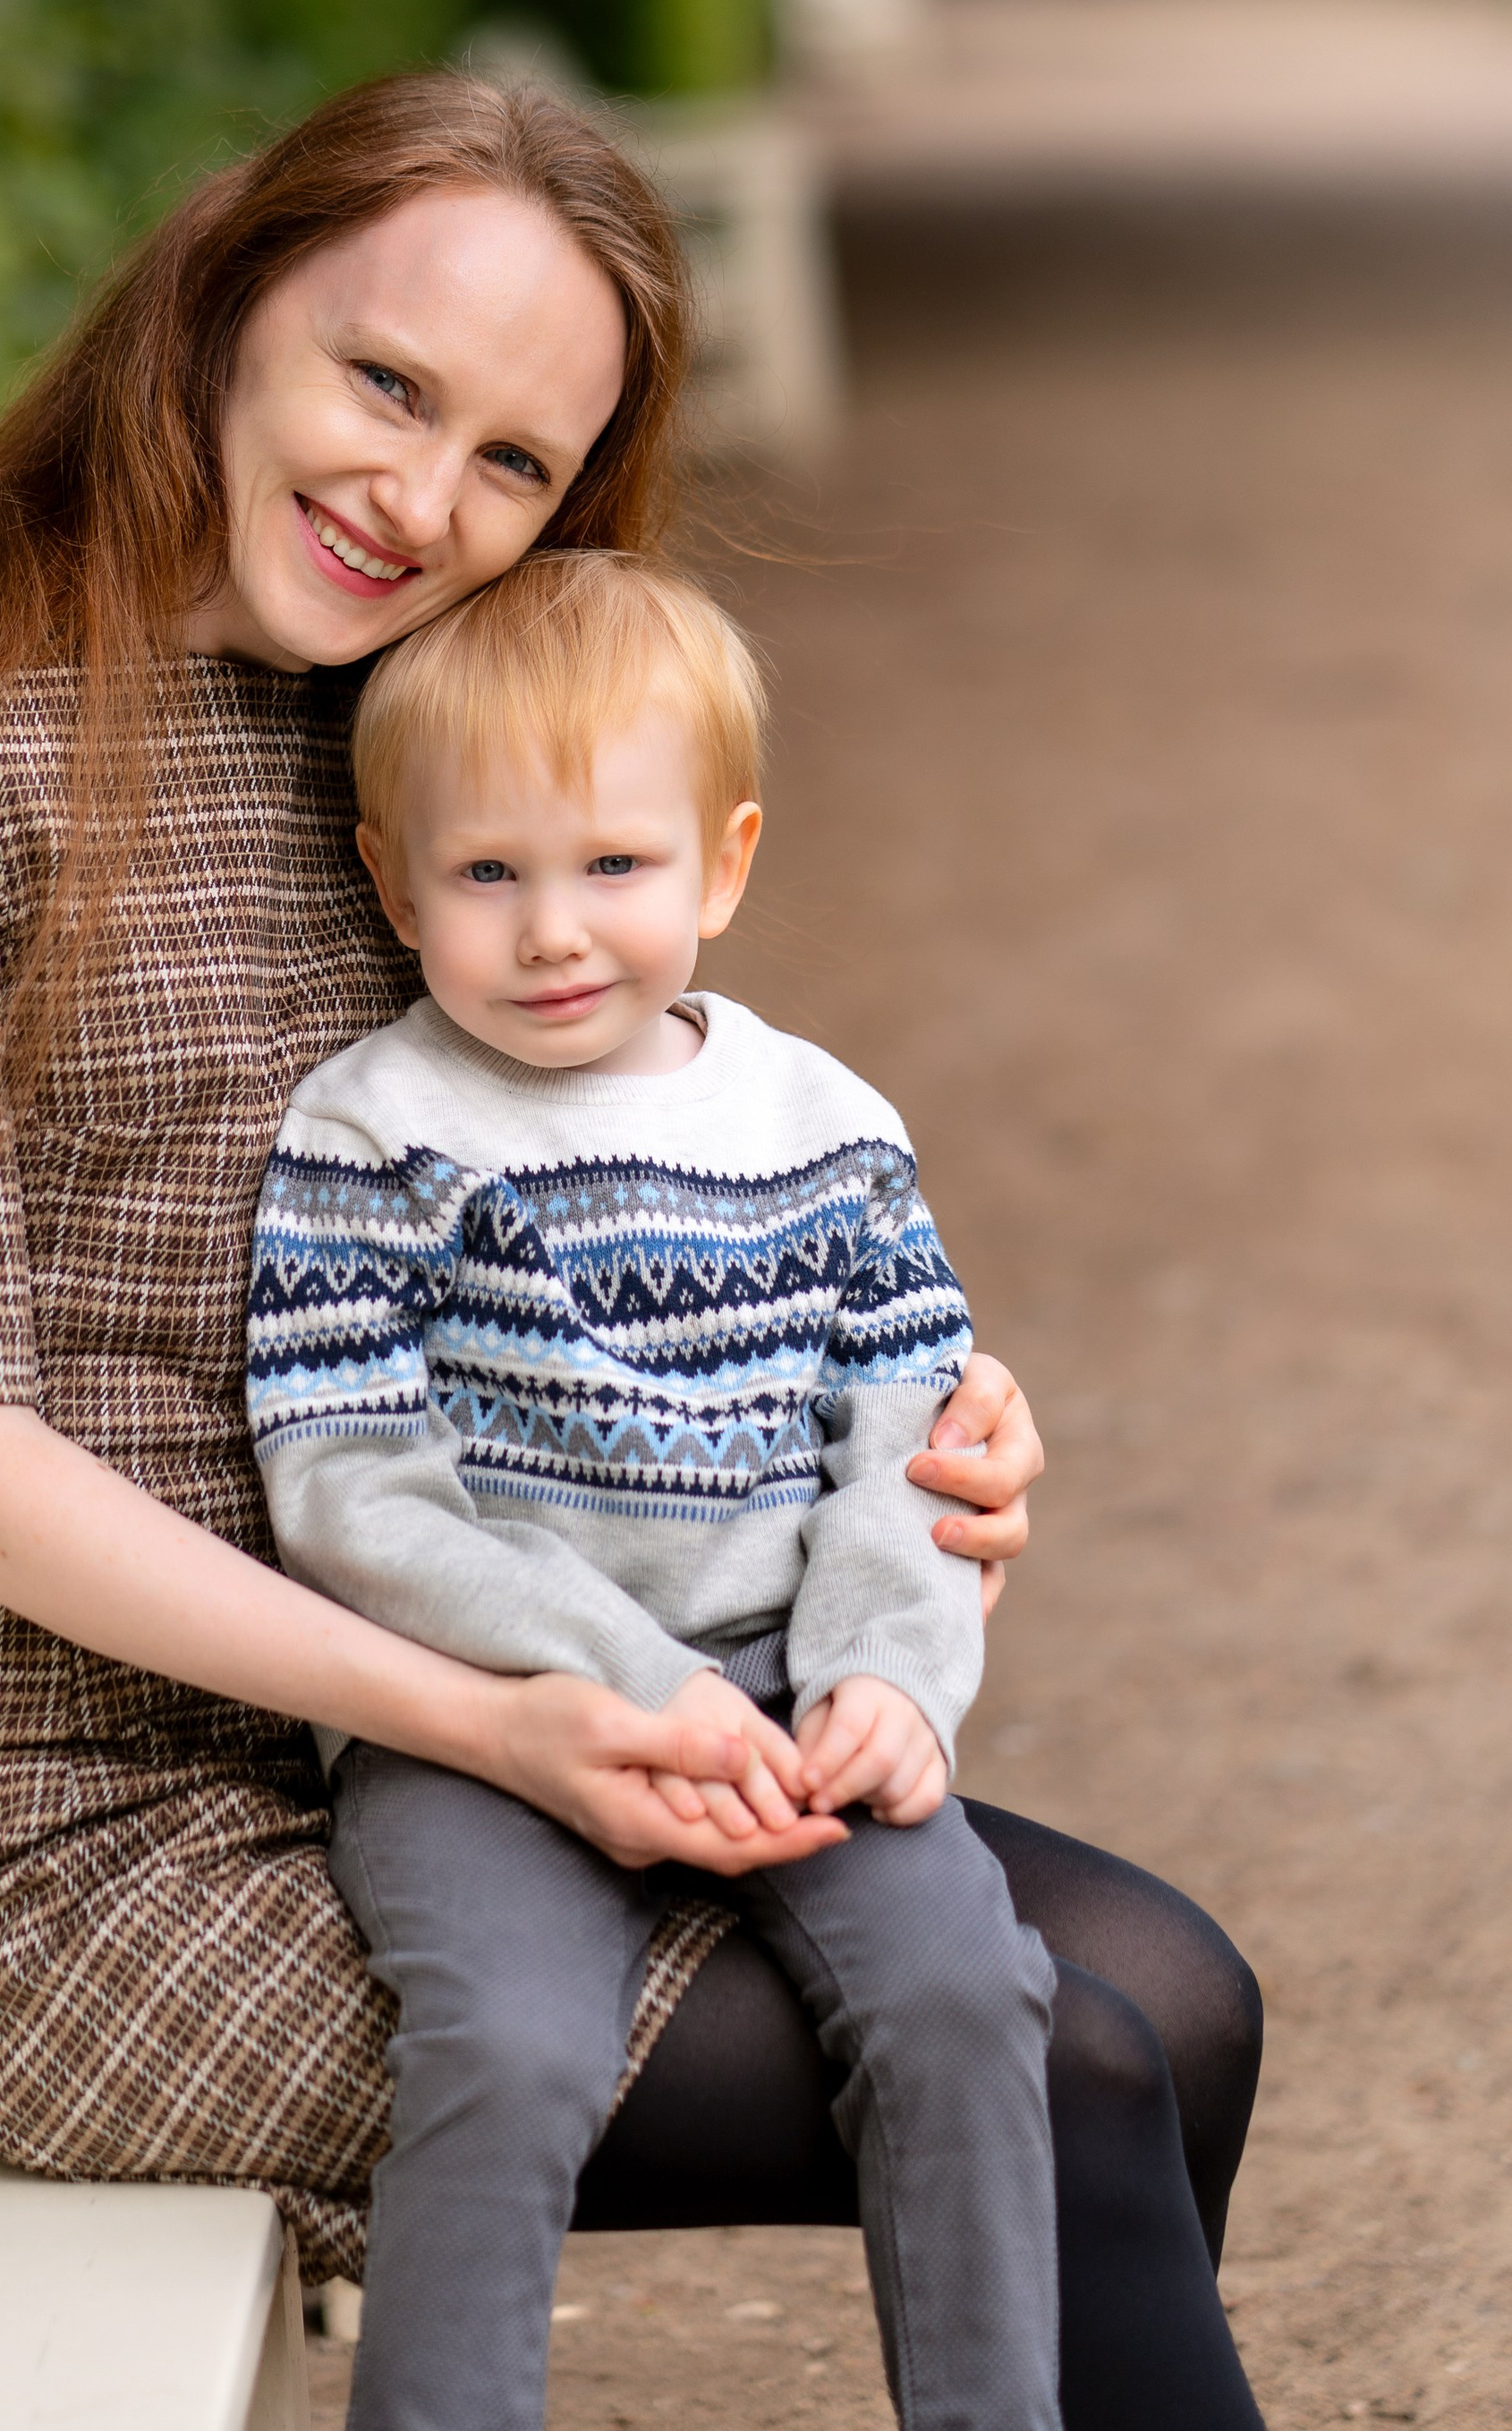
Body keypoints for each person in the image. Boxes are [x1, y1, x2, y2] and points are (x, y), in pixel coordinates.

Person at [0, 70, 1262, 2431]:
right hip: (109, 1843)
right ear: (224, 302)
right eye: (384, 383)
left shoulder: (414, 728)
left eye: (514, 463)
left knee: (1179, 1987)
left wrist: (905, 1424)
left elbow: (646, 1191)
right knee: (1087, 2077)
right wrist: (510, 1724)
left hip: (550, 1684)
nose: (423, 501)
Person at [249, 551, 1061, 2431]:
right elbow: (349, 1494)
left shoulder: (822, 1130)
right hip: (489, 1717)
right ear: (392, 883)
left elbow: (906, 1448)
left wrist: (886, 1676)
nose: (551, 931)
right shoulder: (369, 1133)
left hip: (792, 1687)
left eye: (611, 866)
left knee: (961, 1997)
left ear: (723, 861)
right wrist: (622, 1682)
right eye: (485, 874)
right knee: (509, 2051)